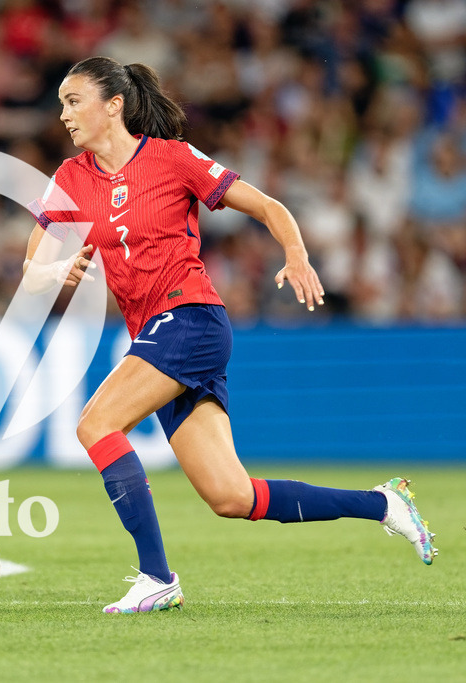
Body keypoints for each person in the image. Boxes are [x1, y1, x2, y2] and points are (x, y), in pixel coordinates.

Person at [22, 56, 437, 614]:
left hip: (190, 318)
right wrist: (52, 271)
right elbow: (32, 268)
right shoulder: (71, 178)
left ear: (113, 105)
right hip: (157, 334)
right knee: (231, 496)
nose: (64, 115)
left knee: (96, 424)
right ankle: (384, 504)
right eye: (62, 104)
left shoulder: (171, 158)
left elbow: (267, 205)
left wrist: (296, 254)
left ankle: (156, 577)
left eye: (74, 101)